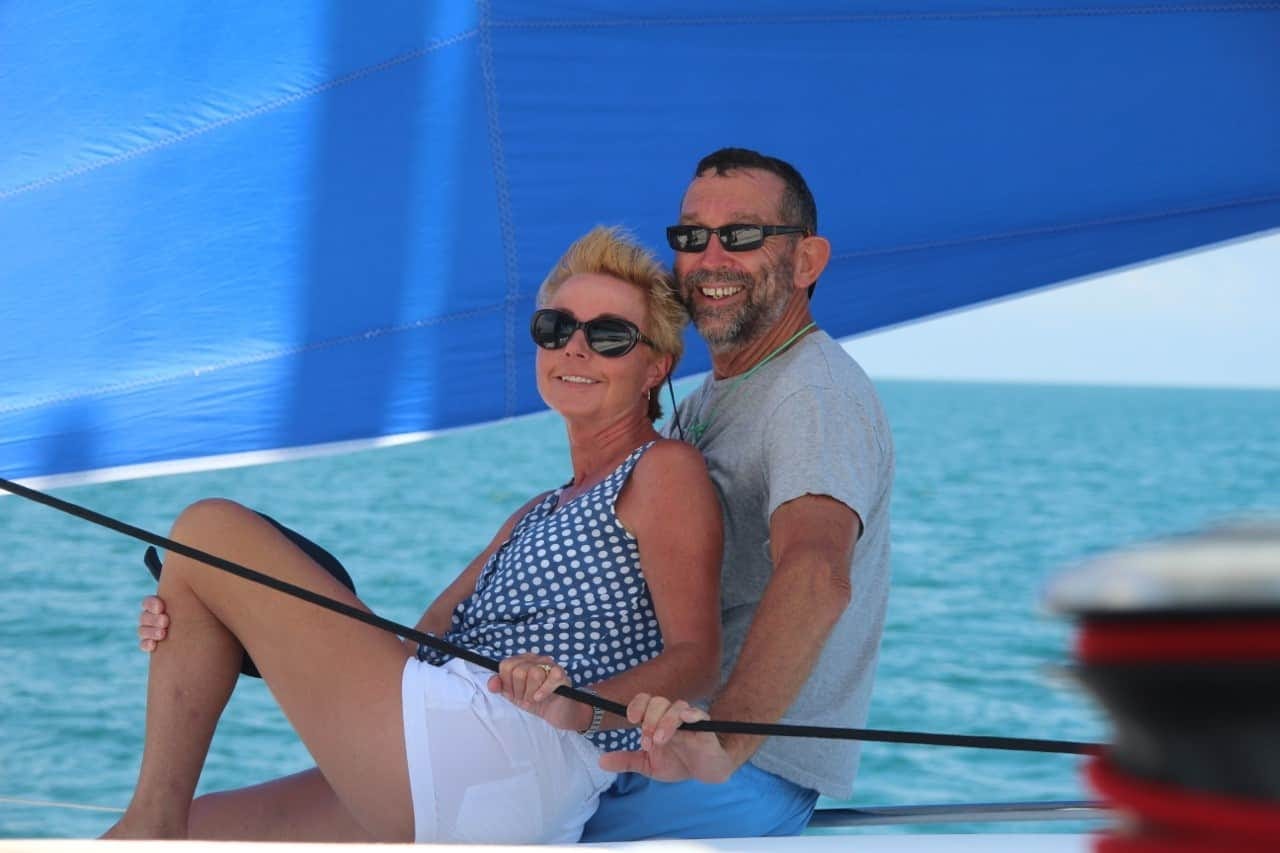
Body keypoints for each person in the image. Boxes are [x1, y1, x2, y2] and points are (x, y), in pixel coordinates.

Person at [115, 226, 724, 844]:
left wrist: (582, 707)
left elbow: (697, 657)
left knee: (207, 529)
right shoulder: (538, 511)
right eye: (555, 328)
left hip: (513, 748)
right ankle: (155, 823)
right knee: (204, 829)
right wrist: (217, 622)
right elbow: (419, 644)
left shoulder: (662, 469)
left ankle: (150, 824)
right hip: (475, 767)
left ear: (655, 367)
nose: (575, 348)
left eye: (609, 336)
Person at [580, 147, 895, 841]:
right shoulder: (713, 399)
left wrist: (724, 739)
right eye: (692, 236)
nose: (710, 257)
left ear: (807, 261)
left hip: (740, 773)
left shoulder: (814, 395)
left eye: (742, 235)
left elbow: (817, 573)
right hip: (666, 746)